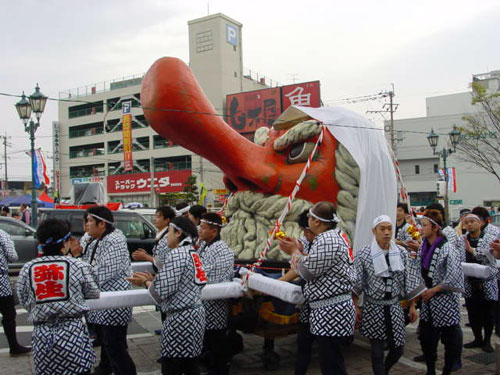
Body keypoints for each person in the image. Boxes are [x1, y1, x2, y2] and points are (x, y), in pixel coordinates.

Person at [278, 201, 355, 375]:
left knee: (332, 364)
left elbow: (308, 271)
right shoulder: (333, 236)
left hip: (331, 310)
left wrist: (293, 252)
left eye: (310, 217)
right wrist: (298, 251)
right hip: (327, 309)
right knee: (330, 361)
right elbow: (314, 265)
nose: (309, 221)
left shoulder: (327, 239)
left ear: (317, 222)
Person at [16, 219, 100, 374]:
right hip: (73, 335)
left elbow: (24, 300)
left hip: (43, 336)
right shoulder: (78, 265)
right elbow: (94, 292)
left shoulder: (28, 268)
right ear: (65, 243)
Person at [127, 216, 206, 375]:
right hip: (195, 315)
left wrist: (145, 282)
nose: (167, 237)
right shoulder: (192, 252)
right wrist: (154, 280)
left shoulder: (177, 254)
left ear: (178, 233)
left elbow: (160, 292)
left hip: (181, 319)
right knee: (190, 364)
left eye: (169, 232)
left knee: (173, 365)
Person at [353, 215, 423, 375]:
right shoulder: (364, 254)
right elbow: (357, 282)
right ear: (374, 231)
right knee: (376, 351)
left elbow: (409, 280)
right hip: (373, 307)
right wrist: (355, 305)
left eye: (389, 228)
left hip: (394, 306)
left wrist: (412, 306)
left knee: (398, 348)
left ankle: (383, 371)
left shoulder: (401, 252)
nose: (386, 232)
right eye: (382, 229)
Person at [75, 206, 137, 375]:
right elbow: (89, 265)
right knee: (108, 342)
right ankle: (105, 367)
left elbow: (103, 273)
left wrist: (78, 276)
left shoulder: (114, 240)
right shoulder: (97, 238)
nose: (87, 225)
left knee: (115, 346)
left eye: (89, 221)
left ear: (102, 224)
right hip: (104, 302)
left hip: (114, 302)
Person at [417, 209, 463, 375]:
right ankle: (430, 369)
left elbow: (453, 275)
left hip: (444, 300)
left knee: (450, 340)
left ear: (435, 227)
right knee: (426, 339)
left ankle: (447, 370)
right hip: (427, 300)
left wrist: (435, 289)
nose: (420, 229)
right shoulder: (423, 246)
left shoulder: (448, 248)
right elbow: (417, 271)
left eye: (424, 225)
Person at [278, 209, 316, 375]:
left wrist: (296, 253)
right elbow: (298, 266)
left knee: (331, 355)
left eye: (307, 231)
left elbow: (307, 265)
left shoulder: (329, 244)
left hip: (327, 309)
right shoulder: (305, 241)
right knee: (304, 343)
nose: (305, 234)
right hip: (310, 305)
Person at [197, 212, 234, 375]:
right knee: (207, 342)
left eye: (204, 228)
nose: (200, 230)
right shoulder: (204, 247)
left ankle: (220, 369)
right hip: (202, 303)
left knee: (217, 342)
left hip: (215, 305)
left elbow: (219, 278)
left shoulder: (223, 250)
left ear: (215, 231)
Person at [462, 208, 498, 352]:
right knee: (473, 312)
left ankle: (487, 340)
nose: (470, 225)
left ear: (480, 223)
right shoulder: (462, 239)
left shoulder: (489, 238)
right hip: (469, 281)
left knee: (488, 313)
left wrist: (473, 251)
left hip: (487, 281)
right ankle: (477, 338)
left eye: (472, 222)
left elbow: (491, 259)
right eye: (467, 222)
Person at [0, 229, 30, 355]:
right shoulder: (2, 234)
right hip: (1, 283)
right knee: (8, 315)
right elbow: (13, 256)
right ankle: (14, 346)